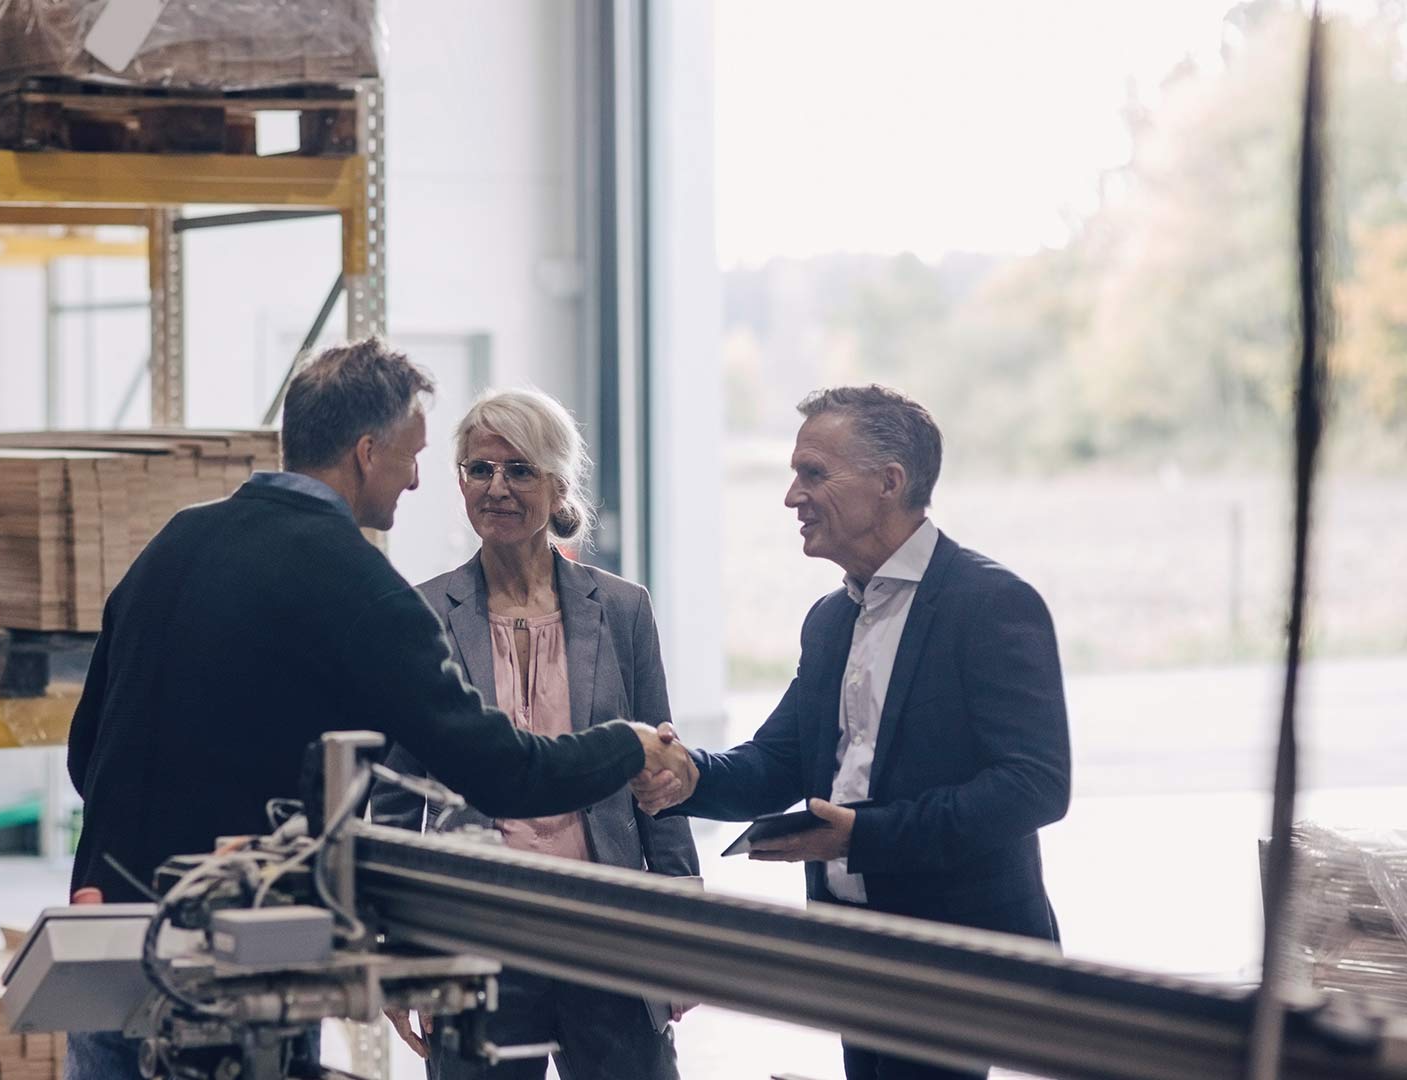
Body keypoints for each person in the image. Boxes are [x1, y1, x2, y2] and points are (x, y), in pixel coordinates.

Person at [63, 339, 683, 1080]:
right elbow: (499, 771)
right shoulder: (358, 583)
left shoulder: (174, 541)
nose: (418, 479)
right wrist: (633, 745)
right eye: (417, 455)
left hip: (104, 945)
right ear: (366, 453)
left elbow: (85, 751)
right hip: (233, 966)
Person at [634, 385, 1071, 1080]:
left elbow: (1034, 788)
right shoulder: (831, 620)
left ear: (889, 483)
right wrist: (688, 777)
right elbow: (778, 762)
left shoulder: (991, 604)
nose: (791, 497)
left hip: (959, 965)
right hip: (853, 950)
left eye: (813, 473)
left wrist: (864, 837)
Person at [373, 388, 697, 1080]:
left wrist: (683, 934)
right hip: (477, 932)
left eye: (519, 470)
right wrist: (398, 946)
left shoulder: (622, 609)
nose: (497, 488)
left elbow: (661, 786)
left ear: (557, 484)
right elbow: (396, 800)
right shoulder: (421, 613)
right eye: (478, 469)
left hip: (607, 929)